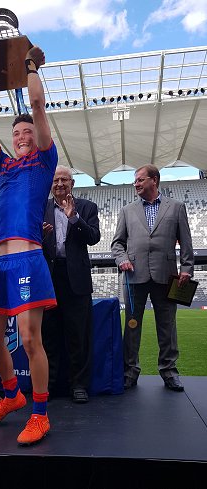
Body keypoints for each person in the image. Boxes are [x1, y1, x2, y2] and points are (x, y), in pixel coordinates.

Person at [0, 45, 58, 445]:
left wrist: (28, 66)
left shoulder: (44, 162)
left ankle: (40, 415)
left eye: (27, 132)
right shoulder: (3, 167)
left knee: (28, 339)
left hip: (27, 259)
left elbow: (38, 105)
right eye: (17, 133)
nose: (23, 135)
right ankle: (12, 395)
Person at [111, 164, 194, 391]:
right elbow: (117, 243)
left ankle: (169, 371)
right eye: (134, 181)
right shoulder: (127, 210)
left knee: (167, 327)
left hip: (166, 276)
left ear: (154, 180)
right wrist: (122, 259)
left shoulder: (176, 207)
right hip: (133, 276)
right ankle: (130, 372)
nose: (136, 184)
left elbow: (186, 242)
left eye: (139, 180)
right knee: (132, 325)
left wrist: (187, 268)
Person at [41, 165, 101, 403]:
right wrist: (38, 234)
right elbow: (28, 239)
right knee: (48, 335)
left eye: (64, 180)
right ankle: (50, 384)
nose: (59, 185)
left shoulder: (87, 207)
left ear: (72, 184)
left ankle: (79, 385)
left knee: (78, 335)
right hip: (48, 278)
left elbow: (93, 237)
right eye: (55, 181)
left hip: (76, 279)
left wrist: (73, 218)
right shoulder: (40, 208)